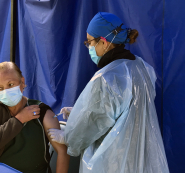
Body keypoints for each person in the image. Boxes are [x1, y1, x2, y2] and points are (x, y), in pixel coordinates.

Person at [48, 12, 169, 173]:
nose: (89, 47)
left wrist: (68, 137)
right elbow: (125, 111)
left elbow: (91, 122)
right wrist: (79, 112)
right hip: (144, 159)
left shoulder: (106, 78)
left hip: (114, 162)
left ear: (104, 42)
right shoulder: (142, 67)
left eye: (90, 42)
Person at [0, 62, 70, 173]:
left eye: (11, 84)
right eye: (0, 88)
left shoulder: (42, 112)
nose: (6, 91)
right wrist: (20, 119)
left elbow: (62, 151)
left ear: (22, 82)